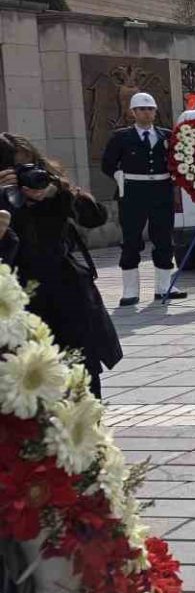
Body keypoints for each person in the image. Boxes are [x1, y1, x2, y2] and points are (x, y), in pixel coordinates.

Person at [0, 135, 121, 399]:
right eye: (15, 170)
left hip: (66, 295)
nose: (24, 177)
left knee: (82, 376)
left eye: (28, 167)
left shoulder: (53, 190)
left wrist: (59, 191)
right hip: (16, 300)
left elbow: (95, 217)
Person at [99, 90, 184, 306]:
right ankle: (130, 290)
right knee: (131, 239)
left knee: (163, 238)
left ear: (155, 112)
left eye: (150, 109)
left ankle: (164, 286)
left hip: (161, 191)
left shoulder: (167, 135)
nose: (146, 113)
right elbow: (107, 164)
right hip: (133, 192)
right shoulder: (121, 137)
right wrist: (118, 176)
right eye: (142, 109)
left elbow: (178, 160)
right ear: (133, 113)